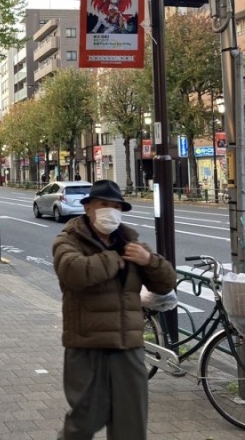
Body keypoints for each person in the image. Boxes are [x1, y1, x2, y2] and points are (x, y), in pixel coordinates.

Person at [52, 180, 176, 440]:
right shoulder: (69, 239)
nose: (111, 210)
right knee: (85, 419)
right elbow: (74, 272)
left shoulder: (130, 241)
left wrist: (149, 261)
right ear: (88, 209)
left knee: (131, 422)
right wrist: (116, 257)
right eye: (104, 204)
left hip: (127, 345)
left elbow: (166, 282)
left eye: (116, 206)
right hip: (87, 344)